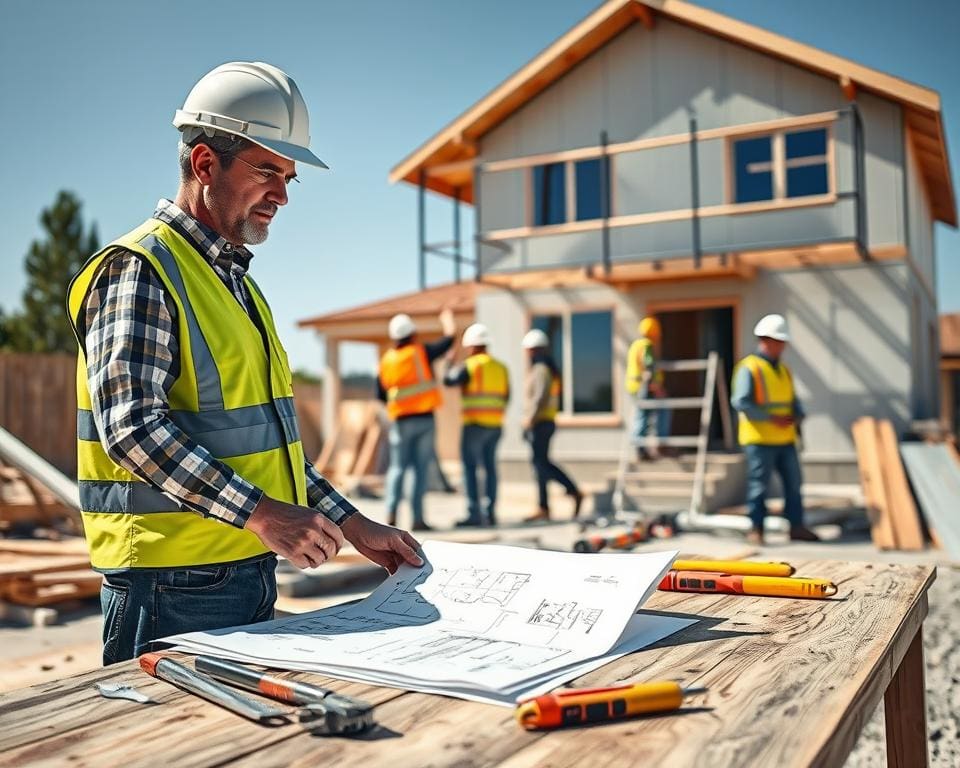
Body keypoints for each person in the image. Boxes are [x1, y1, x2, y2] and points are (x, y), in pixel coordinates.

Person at [66, 62, 423, 665]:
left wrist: (352, 524)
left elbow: (268, 449)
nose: (282, 195)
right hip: (171, 587)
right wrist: (262, 516)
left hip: (240, 570)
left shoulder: (236, 287)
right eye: (267, 171)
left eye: (288, 177)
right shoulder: (143, 269)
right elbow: (131, 428)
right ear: (205, 165)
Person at [731, 314, 819, 544]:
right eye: (779, 341)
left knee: (794, 485)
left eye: (783, 342)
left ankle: (797, 526)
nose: (782, 346)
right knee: (759, 486)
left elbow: (791, 399)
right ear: (766, 340)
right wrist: (772, 418)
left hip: (785, 438)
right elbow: (741, 402)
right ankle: (756, 529)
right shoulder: (749, 368)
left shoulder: (784, 370)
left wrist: (798, 414)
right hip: (759, 439)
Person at [377, 309, 456, 531]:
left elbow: (380, 394)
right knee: (420, 470)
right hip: (425, 420)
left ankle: (391, 514)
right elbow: (449, 341)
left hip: (401, 422)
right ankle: (418, 519)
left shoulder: (387, 361)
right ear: (412, 334)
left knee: (397, 468)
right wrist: (447, 321)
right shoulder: (420, 352)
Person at [443, 323, 510, 527]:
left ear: (471, 346)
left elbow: (449, 380)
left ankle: (474, 514)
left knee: (470, 468)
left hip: (474, 425)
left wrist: (449, 362)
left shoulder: (469, 365)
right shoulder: (501, 367)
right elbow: (507, 396)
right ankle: (490, 513)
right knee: (490, 468)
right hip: (496, 425)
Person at [521, 329, 583, 522]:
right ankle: (543, 506)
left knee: (542, 464)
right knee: (539, 465)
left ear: (533, 350)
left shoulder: (540, 369)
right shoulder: (548, 368)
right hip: (545, 421)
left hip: (541, 422)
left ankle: (572, 491)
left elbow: (539, 398)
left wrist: (529, 420)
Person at [625, 316, 672, 460]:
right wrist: (656, 387)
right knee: (652, 413)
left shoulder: (635, 344)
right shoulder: (647, 345)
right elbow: (649, 366)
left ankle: (642, 449)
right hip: (644, 386)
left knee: (642, 416)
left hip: (634, 385)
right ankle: (655, 446)